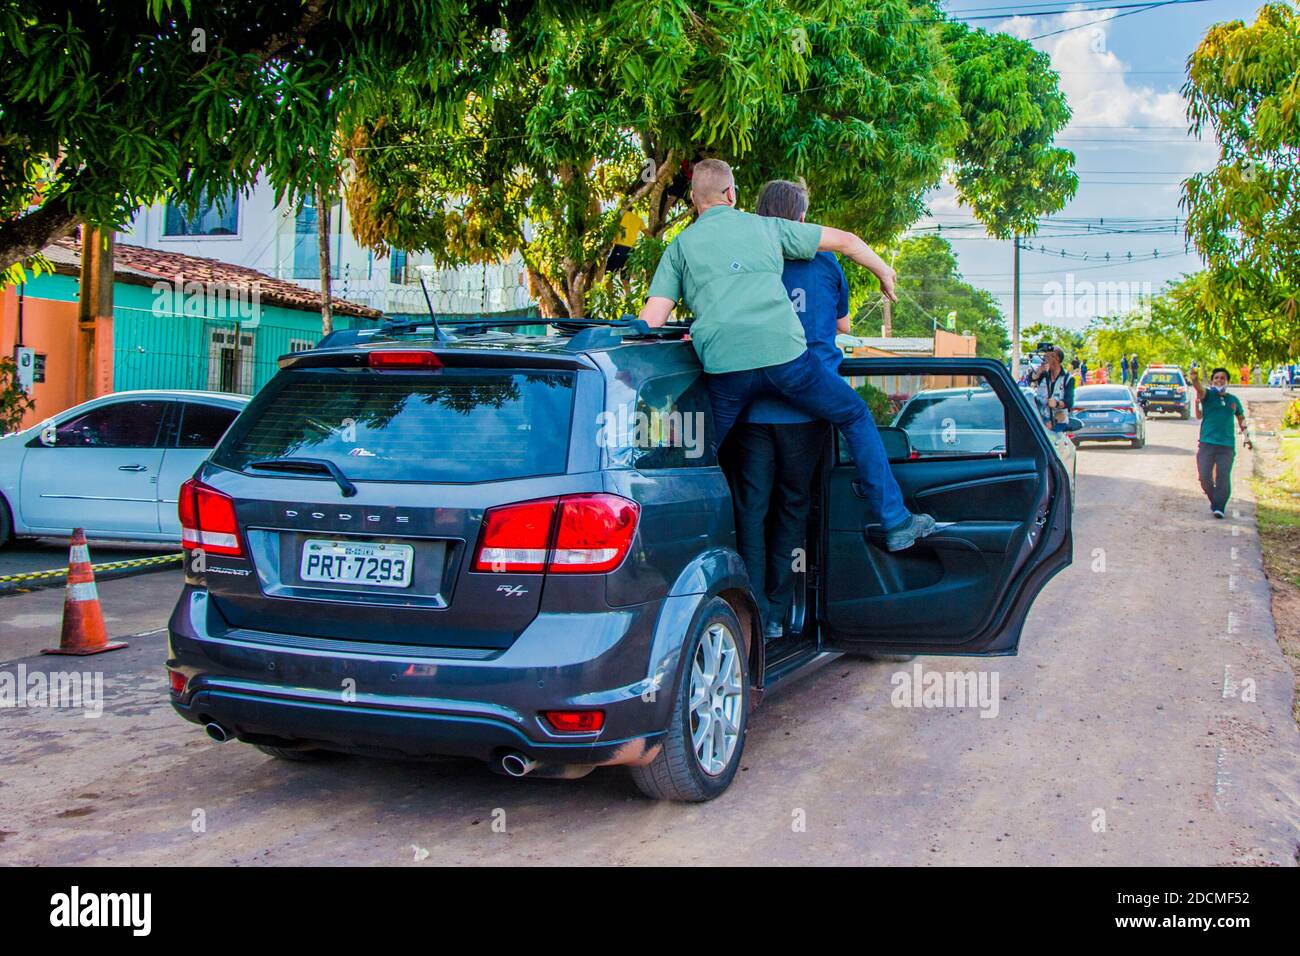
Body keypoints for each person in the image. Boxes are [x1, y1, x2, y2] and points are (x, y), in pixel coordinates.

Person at [638, 158, 936, 552]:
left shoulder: (680, 246)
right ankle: (896, 520)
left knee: (698, 453)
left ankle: (662, 539)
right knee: (854, 414)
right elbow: (846, 241)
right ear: (732, 194)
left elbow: (652, 320)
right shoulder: (765, 228)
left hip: (726, 371)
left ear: (694, 201)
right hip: (787, 362)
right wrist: (885, 272)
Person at [729, 180, 844, 639]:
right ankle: (776, 613)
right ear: (800, 220)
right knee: (792, 509)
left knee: (750, 510)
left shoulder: (746, 262)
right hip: (807, 409)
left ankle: (749, 612)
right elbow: (842, 324)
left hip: (752, 407)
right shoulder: (826, 262)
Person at [1189, 366, 1252, 518]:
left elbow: (1241, 419)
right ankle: (1215, 501)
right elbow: (1199, 389)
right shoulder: (1208, 395)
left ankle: (1220, 507)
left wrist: (1247, 437)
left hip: (1226, 445)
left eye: (1222, 378)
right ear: (1212, 381)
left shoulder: (1233, 400)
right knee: (1204, 476)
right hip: (1207, 443)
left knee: (1223, 476)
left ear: (1227, 381)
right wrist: (1195, 379)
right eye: (1216, 378)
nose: (1219, 380)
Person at [1027, 345, 1075, 432]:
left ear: (1056, 358)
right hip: (1040, 420)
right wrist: (1040, 370)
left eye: (1047, 356)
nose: (1045, 359)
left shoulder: (1067, 379)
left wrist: (1056, 403)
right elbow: (1031, 379)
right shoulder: (1044, 374)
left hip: (1057, 421)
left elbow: (1069, 402)